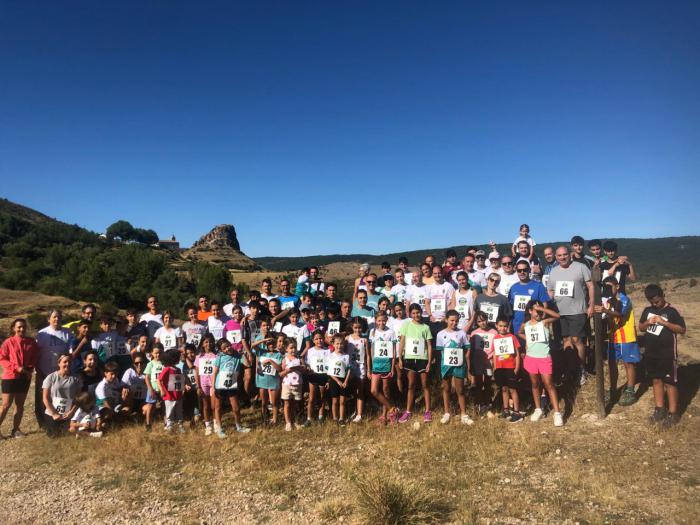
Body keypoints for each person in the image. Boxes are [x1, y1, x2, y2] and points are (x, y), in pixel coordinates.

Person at [638, 284, 686, 428]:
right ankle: (659, 409)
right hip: (651, 353)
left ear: (663, 296)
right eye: (652, 302)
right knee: (656, 380)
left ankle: (673, 413)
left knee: (669, 383)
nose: (655, 304)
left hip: (667, 354)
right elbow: (641, 327)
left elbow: (682, 329)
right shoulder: (648, 310)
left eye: (657, 301)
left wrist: (664, 323)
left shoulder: (672, 311)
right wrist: (648, 322)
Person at [546, 246, 595, 385]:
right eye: (560, 255)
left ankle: (581, 369)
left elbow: (590, 286)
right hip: (560, 313)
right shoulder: (554, 272)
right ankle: (570, 369)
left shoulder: (580, 267)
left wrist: (591, 304)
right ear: (556, 257)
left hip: (578, 311)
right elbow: (550, 290)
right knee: (566, 342)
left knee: (576, 340)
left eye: (565, 254)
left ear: (570, 255)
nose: (562, 257)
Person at [596, 276, 640, 406]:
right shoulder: (608, 301)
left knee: (628, 363)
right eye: (606, 287)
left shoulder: (624, 299)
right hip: (613, 337)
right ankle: (613, 389)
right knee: (612, 364)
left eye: (610, 286)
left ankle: (630, 390)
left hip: (626, 337)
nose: (608, 289)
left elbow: (620, 313)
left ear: (617, 286)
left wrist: (605, 310)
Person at [518, 301, 563, 426]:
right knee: (535, 384)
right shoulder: (525, 325)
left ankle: (557, 413)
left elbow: (557, 316)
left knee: (549, 384)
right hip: (531, 358)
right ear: (530, 311)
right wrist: (528, 340)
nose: (538, 312)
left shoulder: (544, 322)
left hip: (544, 357)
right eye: (535, 310)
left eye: (540, 310)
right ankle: (538, 409)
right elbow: (519, 332)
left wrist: (541, 308)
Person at [0, 318, 38, 438]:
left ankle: (16, 430)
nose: (22, 329)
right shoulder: (8, 342)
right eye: (19, 327)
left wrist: (30, 368)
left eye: (24, 327)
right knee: (6, 405)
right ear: (13, 328)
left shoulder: (31, 342)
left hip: (25, 377)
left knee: (20, 405)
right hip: (10, 377)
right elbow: (2, 359)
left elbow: (35, 357)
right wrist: (16, 368)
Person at [35, 309, 73, 428]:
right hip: (44, 371)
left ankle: (59, 421)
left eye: (59, 317)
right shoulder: (42, 334)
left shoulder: (67, 332)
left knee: (59, 397)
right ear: (49, 319)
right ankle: (43, 423)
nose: (57, 319)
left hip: (61, 373)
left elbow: (70, 352)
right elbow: (36, 354)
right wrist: (38, 369)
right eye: (54, 317)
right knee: (43, 398)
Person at [398, 303, 433, 423]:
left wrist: (429, 361)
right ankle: (408, 411)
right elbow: (402, 341)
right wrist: (400, 358)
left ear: (421, 312)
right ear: (410, 314)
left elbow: (429, 345)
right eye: (413, 313)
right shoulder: (406, 325)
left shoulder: (425, 327)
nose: (416, 315)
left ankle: (428, 411)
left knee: (425, 385)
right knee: (411, 385)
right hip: (409, 359)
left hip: (422, 359)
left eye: (417, 312)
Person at [436, 310, 472, 425]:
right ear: (446, 320)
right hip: (446, 365)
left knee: (460, 390)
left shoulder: (462, 333)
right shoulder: (440, 334)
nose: (454, 323)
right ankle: (447, 413)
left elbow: (467, 349)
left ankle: (464, 414)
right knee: (446, 388)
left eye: (456, 321)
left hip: (459, 365)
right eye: (451, 320)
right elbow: (440, 352)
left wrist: (467, 365)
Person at [211, 338, 251, 437]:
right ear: (221, 350)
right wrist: (212, 387)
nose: (227, 349)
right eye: (224, 348)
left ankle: (239, 426)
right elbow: (215, 372)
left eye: (228, 346)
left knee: (236, 408)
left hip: (232, 385)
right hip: (220, 385)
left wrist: (243, 355)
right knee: (218, 407)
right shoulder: (219, 357)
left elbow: (248, 364)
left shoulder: (238, 355)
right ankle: (219, 428)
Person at [42, 353, 82, 437]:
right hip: (52, 413)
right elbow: (45, 398)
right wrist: (54, 414)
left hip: (69, 413)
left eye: (69, 362)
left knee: (69, 433)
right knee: (53, 435)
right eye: (65, 362)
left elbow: (78, 398)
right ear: (59, 363)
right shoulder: (51, 377)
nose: (67, 364)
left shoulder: (76, 378)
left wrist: (71, 412)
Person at [368, 312, 397, 425]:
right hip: (376, 365)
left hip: (386, 365)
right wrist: (369, 368)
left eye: (383, 320)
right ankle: (392, 409)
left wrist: (392, 367)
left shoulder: (391, 332)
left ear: (386, 320)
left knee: (386, 390)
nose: (381, 323)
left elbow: (393, 352)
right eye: (379, 320)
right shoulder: (372, 332)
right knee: (374, 390)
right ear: (376, 321)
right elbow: (371, 351)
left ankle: (384, 415)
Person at [252, 319, 283, 425]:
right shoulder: (261, 351)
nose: (270, 345)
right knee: (264, 402)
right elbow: (252, 346)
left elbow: (279, 369)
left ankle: (274, 419)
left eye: (272, 343)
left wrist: (270, 361)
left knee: (274, 402)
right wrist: (263, 341)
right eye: (268, 344)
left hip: (274, 380)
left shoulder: (278, 354)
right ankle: (264, 419)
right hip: (262, 379)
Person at [492, 316, 523, 423]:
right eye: (500, 326)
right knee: (504, 389)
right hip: (500, 368)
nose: (503, 328)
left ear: (508, 326)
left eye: (505, 326)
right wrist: (495, 367)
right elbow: (495, 353)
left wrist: (517, 367)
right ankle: (506, 410)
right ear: (496, 326)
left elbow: (517, 354)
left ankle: (517, 412)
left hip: (510, 367)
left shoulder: (512, 337)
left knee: (512, 390)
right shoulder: (495, 338)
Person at [508, 261, 550, 337]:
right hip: (517, 327)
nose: (522, 272)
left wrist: (540, 323)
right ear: (516, 271)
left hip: (533, 327)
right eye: (519, 270)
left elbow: (545, 306)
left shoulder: (539, 286)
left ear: (529, 270)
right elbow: (510, 310)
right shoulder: (513, 288)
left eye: (525, 270)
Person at [470, 311, 497, 415]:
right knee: (478, 383)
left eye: (484, 320)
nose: (482, 323)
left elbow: (495, 348)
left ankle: (487, 401)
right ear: (477, 322)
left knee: (488, 382)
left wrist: (491, 358)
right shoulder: (474, 333)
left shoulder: (493, 332)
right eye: (479, 321)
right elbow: (471, 350)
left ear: (487, 319)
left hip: (489, 361)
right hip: (478, 361)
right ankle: (480, 403)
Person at [345, 319, 369, 423]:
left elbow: (368, 356)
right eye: (355, 328)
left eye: (359, 328)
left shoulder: (365, 340)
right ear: (352, 327)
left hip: (361, 367)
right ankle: (353, 411)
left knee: (360, 390)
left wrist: (369, 370)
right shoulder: (347, 338)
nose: (358, 330)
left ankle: (359, 414)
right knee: (351, 390)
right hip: (350, 367)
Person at [158, 349, 187, 433]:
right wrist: (162, 390)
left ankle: (180, 425)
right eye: (178, 357)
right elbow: (159, 380)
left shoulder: (178, 369)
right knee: (169, 411)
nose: (179, 359)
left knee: (179, 411)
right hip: (169, 395)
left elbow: (179, 381)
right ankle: (169, 425)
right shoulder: (167, 369)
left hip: (178, 395)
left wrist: (183, 388)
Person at [304, 331, 330, 425]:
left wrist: (328, 380)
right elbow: (307, 363)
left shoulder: (327, 351)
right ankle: (309, 418)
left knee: (322, 397)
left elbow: (330, 366)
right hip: (313, 376)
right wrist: (307, 368)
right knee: (311, 398)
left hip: (323, 376)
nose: (319, 340)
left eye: (321, 338)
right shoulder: (310, 351)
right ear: (313, 340)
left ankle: (320, 417)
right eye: (316, 339)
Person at [194, 334, 217, 435]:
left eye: (210, 341)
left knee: (214, 406)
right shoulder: (199, 357)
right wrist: (198, 386)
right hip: (203, 384)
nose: (209, 344)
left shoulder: (216, 356)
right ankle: (208, 425)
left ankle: (216, 423)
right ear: (202, 344)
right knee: (206, 406)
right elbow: (197, 373)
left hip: (214, 384)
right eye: (206, 342)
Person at [327, 333, 352, 424]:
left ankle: (341, 418)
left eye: (341, 343)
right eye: (337, 343)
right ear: (333, 344)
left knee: (342, 401)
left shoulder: (346, 356)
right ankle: (335, 418)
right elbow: (329, 372)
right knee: (335, 401)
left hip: (343, 380)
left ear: (344, 344)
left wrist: (345, 381)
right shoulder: (330, 355)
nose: (339, 346)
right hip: (334, 380)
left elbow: (349, 369)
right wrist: (337, 381)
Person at [280, 336, 304, 431]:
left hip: (297, 384)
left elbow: (304, 368)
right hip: (287, 384)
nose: (293, 349)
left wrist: (302, 367)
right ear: (286, 349)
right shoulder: (285, 359)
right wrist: (289, 370)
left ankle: (295, 421)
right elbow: (282, 372)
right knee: (287, 404)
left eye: (294, 347)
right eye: (291, 348)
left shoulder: (299, 358)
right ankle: (288, 422)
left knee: (295, 404)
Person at [95, 361, 127, 426]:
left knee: (126, 409)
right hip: (103, 408)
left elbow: (119, 388)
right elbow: (104, 403)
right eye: (111, 374)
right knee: (108, 414)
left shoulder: (116, 380)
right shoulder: (101, 387)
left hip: (114, 405)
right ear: (105, 373)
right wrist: (113, 412)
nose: (114, 376)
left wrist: (124, 389)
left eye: (115, 374)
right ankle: (103, 422)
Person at [143, 343, 164, 432]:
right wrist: (150, 389)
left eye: (159, 353)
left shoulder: (164, 363)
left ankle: (166, 423)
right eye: (155, 353)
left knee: (164, 406)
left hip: (163, 389)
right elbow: (147, 378)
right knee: (150, 407)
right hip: (153, 389)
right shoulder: (150, 364)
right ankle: (148, 424)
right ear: (151, 353)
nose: (157, 355)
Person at [178, 344, 200, 425]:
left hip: (198, 388)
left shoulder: (198, 361)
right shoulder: (184, 365)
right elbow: (184, 376)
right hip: (190, 389)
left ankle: (197, 415)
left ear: (195, 352)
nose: (190, 355)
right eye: (187, 353)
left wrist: (186, 357)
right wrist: (185, 385)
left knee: (198, 403)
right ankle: (190, 415)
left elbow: (192, 367)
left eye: (192, 352)